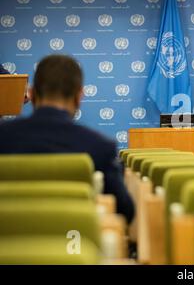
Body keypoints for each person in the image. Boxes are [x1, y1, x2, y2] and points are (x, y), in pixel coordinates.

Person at [0, 54, 135, 223]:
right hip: (76, 243)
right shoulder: (100, 147)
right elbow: (124, 211)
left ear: (32, 94)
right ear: (79, 96)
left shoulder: (3, 138)